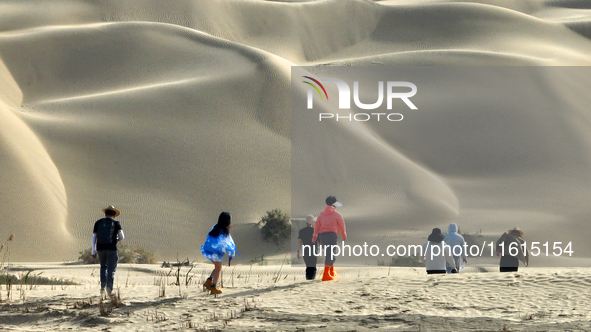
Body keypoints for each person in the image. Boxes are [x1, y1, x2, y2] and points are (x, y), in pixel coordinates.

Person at [92, 205, 124, 297]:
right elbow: (122, 237)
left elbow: (94, 237)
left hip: (100, 249)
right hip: (112, 249)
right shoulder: (116, 223)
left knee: (103, 267)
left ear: (105, 214)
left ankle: (102, 289)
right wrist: (115, 241)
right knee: (111, 270)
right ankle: (109, 291)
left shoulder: (98, 222)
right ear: (114, 215)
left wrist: (93, 251)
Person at [201, 212, 237, 294]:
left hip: (208, 250)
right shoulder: (224, 231)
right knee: (218, 269)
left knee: (217, 267)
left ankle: (209, 281)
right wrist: (231, 254)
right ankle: (213, 287)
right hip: (215, 253)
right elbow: (231, 244)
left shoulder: (215, 227)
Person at [312, 196, 347, 281]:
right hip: (332, 235)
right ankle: (326, 275)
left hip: (322, 236)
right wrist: (344, 235)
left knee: (328, 253)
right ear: (333, 205)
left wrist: (314, 236)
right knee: (331, 255)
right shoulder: (337, 215)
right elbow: (341, 225)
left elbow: (317, 225)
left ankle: (331, 272)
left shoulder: (321, 214)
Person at [297, 214, 318, 280]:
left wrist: (298, 251)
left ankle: (309, 279)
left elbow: (300, 241)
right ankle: (311, 279)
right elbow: (320, 242)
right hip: (314, 251)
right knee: (313, 266)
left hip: (305, 251)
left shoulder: (302, 231)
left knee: (308, 266)